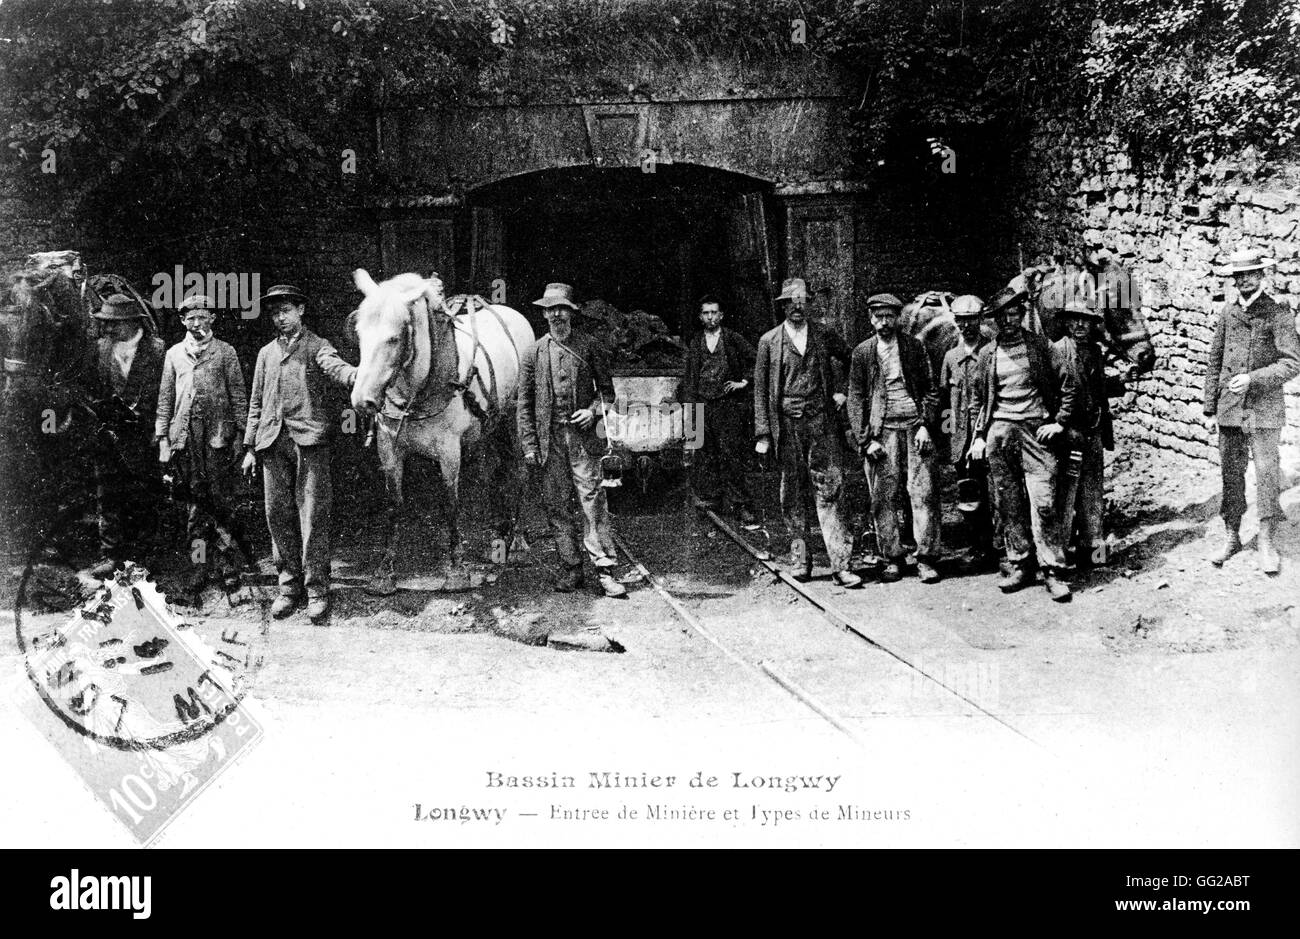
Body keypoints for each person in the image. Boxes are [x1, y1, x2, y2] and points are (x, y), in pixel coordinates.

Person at [242, 284, 358, 624]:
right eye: (275, 312)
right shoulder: (266, 353)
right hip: (271, 443)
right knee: (277, 515)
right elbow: (255, 403)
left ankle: (318, 591)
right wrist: (250, 447)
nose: (280, 318)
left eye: (286, 311)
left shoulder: (317, 346)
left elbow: (335, 367)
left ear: (301, 311)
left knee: (313, 517)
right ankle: (289, 588)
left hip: (308, 442)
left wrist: (357, 376)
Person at [517, 282, 626, 598]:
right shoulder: (533, 353)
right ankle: (571, 569)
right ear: (545, 315)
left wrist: (592, 411)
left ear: (571, 312)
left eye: (561, 308)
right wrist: (529, 446)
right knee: (556, 506)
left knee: (593, 502)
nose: (556, 314)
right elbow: (524, 405)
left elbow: (608, 394)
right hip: (549, 442)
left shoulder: (590, 346)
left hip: (582, 442)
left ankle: (605, 571)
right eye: (550, 309)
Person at [969, 285, 1076, 602]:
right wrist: (978, 435)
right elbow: (978, 399)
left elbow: (1067, 381)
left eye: (1015, 314)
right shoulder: (989, 353)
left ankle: (1053, 570)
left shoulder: (1040, 346)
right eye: (1004, 316)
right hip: (1001, 433)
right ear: (997, 320)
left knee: (1043, 502)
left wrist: (1059, 421)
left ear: (1022, 315)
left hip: (1035, 430)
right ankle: (1020, 564)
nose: (1010, 321)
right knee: (1009, 503)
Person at [753, 277, 862, 587]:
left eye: (801, 302)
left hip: (820, 424)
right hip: (787, 427)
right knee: (792, 493)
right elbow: (760, 391)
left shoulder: (823, 335)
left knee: (830, 488)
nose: (796, 307)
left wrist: (842, 391)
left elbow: (853, 358)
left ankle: (841, 563)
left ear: (808, 305)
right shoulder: (769, 342)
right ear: (783, 307)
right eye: (790, 303)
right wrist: (763, 433)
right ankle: (800, 560)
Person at [1203, 248, 1300, 574]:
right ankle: (1231, 536)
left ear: (1261, 276)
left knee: (1266, 475)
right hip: (1230, 410)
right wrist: (1210, 405)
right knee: (1231, 476)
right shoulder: (1228, 313)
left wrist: (1253, 379)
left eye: (1249, 274)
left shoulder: (1277, 314)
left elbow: (1292, 363)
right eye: (1238, 276)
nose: (1243, 280)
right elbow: (1215, 361)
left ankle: (1266, 542)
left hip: (1264, 409)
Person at [156, 294, 250, 595]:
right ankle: (199, 567)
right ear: (183, 321)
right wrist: (163, 440)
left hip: (218, 439)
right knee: (195, 505)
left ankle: (227, 567)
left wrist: (243, 438)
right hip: (185, 440)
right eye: (190, 318)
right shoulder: (173, 354)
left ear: (212, 319)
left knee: (221, 502)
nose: (196, 323)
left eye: (202, 317)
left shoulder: (225, 352)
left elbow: (238, 397)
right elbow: (165, 400)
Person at [847, 293, 942, 583]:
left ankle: (926, 558)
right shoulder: (863, 353)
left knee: (923, 493)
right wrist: (866, 440)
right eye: (879, 316)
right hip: (882, 431)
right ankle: (892, 557)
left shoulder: (914, 348)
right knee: (883, 497)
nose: (884, 322)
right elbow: (856, 397)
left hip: (915, 427)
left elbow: (931, 389)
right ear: (870, 318)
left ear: (898, 318)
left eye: (890, 316)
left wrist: (926, 425)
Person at [84, 294, 166, 577]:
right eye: (105, 323)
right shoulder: (100, 349)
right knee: (107, 495)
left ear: (132, 322)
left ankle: (144, 558)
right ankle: (110, 556)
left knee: (144, 496)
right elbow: (92, 388)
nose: (108, 329)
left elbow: (165, 394)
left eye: (113, 323)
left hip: (143, 437)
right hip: (108, 436)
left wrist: (157, 430)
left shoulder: (157, 350)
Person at [681, 293, 757, 523]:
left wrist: (744, 381)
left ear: (721, 315)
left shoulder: (732, 339)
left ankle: (740, 503)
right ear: (700, 317)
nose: (710, 317)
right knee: (705, 454)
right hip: (703, 404)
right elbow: (689, 377)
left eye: (714, 312)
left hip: (727, 405)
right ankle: (711, 502)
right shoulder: (695, 343)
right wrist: (690, 409)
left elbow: (757, 359)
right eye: (706, 313)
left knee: (731, 454)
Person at [939, 294, 999, 568]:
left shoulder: (992, 352)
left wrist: (984, 435)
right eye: (961, 321)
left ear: (981, 319)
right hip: (961, 439)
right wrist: (949, 439)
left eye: (971, 320)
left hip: (987, 433)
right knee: (968, 493)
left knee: (995, 492)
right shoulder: (951, 357)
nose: (966, 326)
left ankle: (999, 548)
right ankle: (978, 548)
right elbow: (944, 402)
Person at [1053, 298, 1113, 568]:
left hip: (1093, 431)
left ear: (1092, 325)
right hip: (1068, 433)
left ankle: (1093, 550)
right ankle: (1059, 553)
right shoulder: (1056, 352)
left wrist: (1120, 382)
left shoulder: (1096, 353)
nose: (1079, 325)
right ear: (1066, 323)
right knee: (1065, 493)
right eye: (1074, 320)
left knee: (1093, 490)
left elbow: (1098, 389)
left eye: (1085, 321)